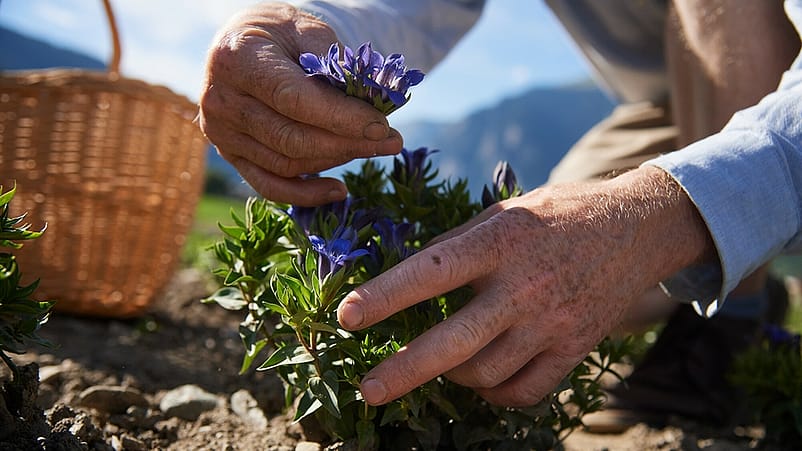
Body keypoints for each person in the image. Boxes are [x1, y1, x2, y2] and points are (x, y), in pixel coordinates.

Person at [198, 0, 802, 430]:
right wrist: (304, 20)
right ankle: (742, 277)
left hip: (786, 102)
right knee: (520, 287)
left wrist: (664, 216)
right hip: (680, 104)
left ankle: (732, 321)